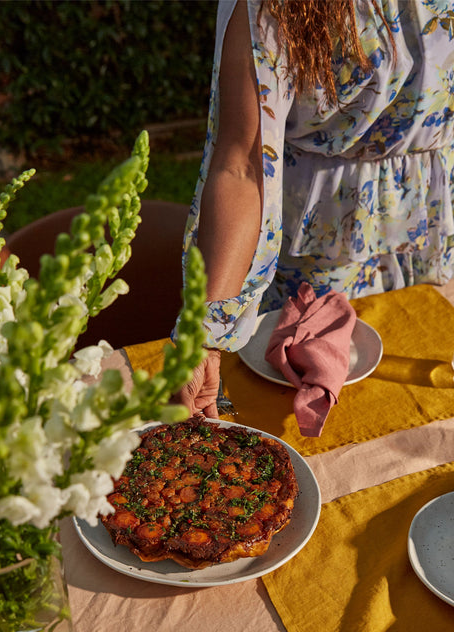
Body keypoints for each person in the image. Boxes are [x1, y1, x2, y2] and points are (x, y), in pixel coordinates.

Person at [173, 0, 454, 417]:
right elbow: (244, 166)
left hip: (435, 228)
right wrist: (203, 336)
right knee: (309, 408)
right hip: (320, 254)